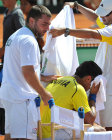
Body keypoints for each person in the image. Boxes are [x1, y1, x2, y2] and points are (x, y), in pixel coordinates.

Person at [49, 0, 112, 132]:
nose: (101, 18)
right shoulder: (110, 21)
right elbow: (96, 17)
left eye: (105, 15)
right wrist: (76, 5)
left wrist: (65, 31)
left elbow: (93, 34)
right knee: (97, 126)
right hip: (101, 85)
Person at [0, 5, 53, 140]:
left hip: (9, 96)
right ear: (31, 21)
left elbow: (19, 67)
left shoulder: (15, 36)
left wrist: (42, 77)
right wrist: (43, 93)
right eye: (44, 24)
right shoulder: (29, 41)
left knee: (10, 136)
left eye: (48, 24)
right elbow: (28, 72)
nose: (47, 28)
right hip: (22, 98)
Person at [40, 60, 106, 139]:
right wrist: (93, 95)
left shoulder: (60, 79)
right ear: (88, 79)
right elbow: (90, 120)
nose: (90, 87)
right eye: (92, 84)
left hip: (39, 131)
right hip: (52, 134)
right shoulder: (78, 89)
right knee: (100, 130)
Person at [0, 0, 25, 136]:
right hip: (6, 60)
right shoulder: (7, 12)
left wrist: (5, 50)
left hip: (13, 62)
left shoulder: (17, 14)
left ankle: (11, 128)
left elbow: (22, 36)